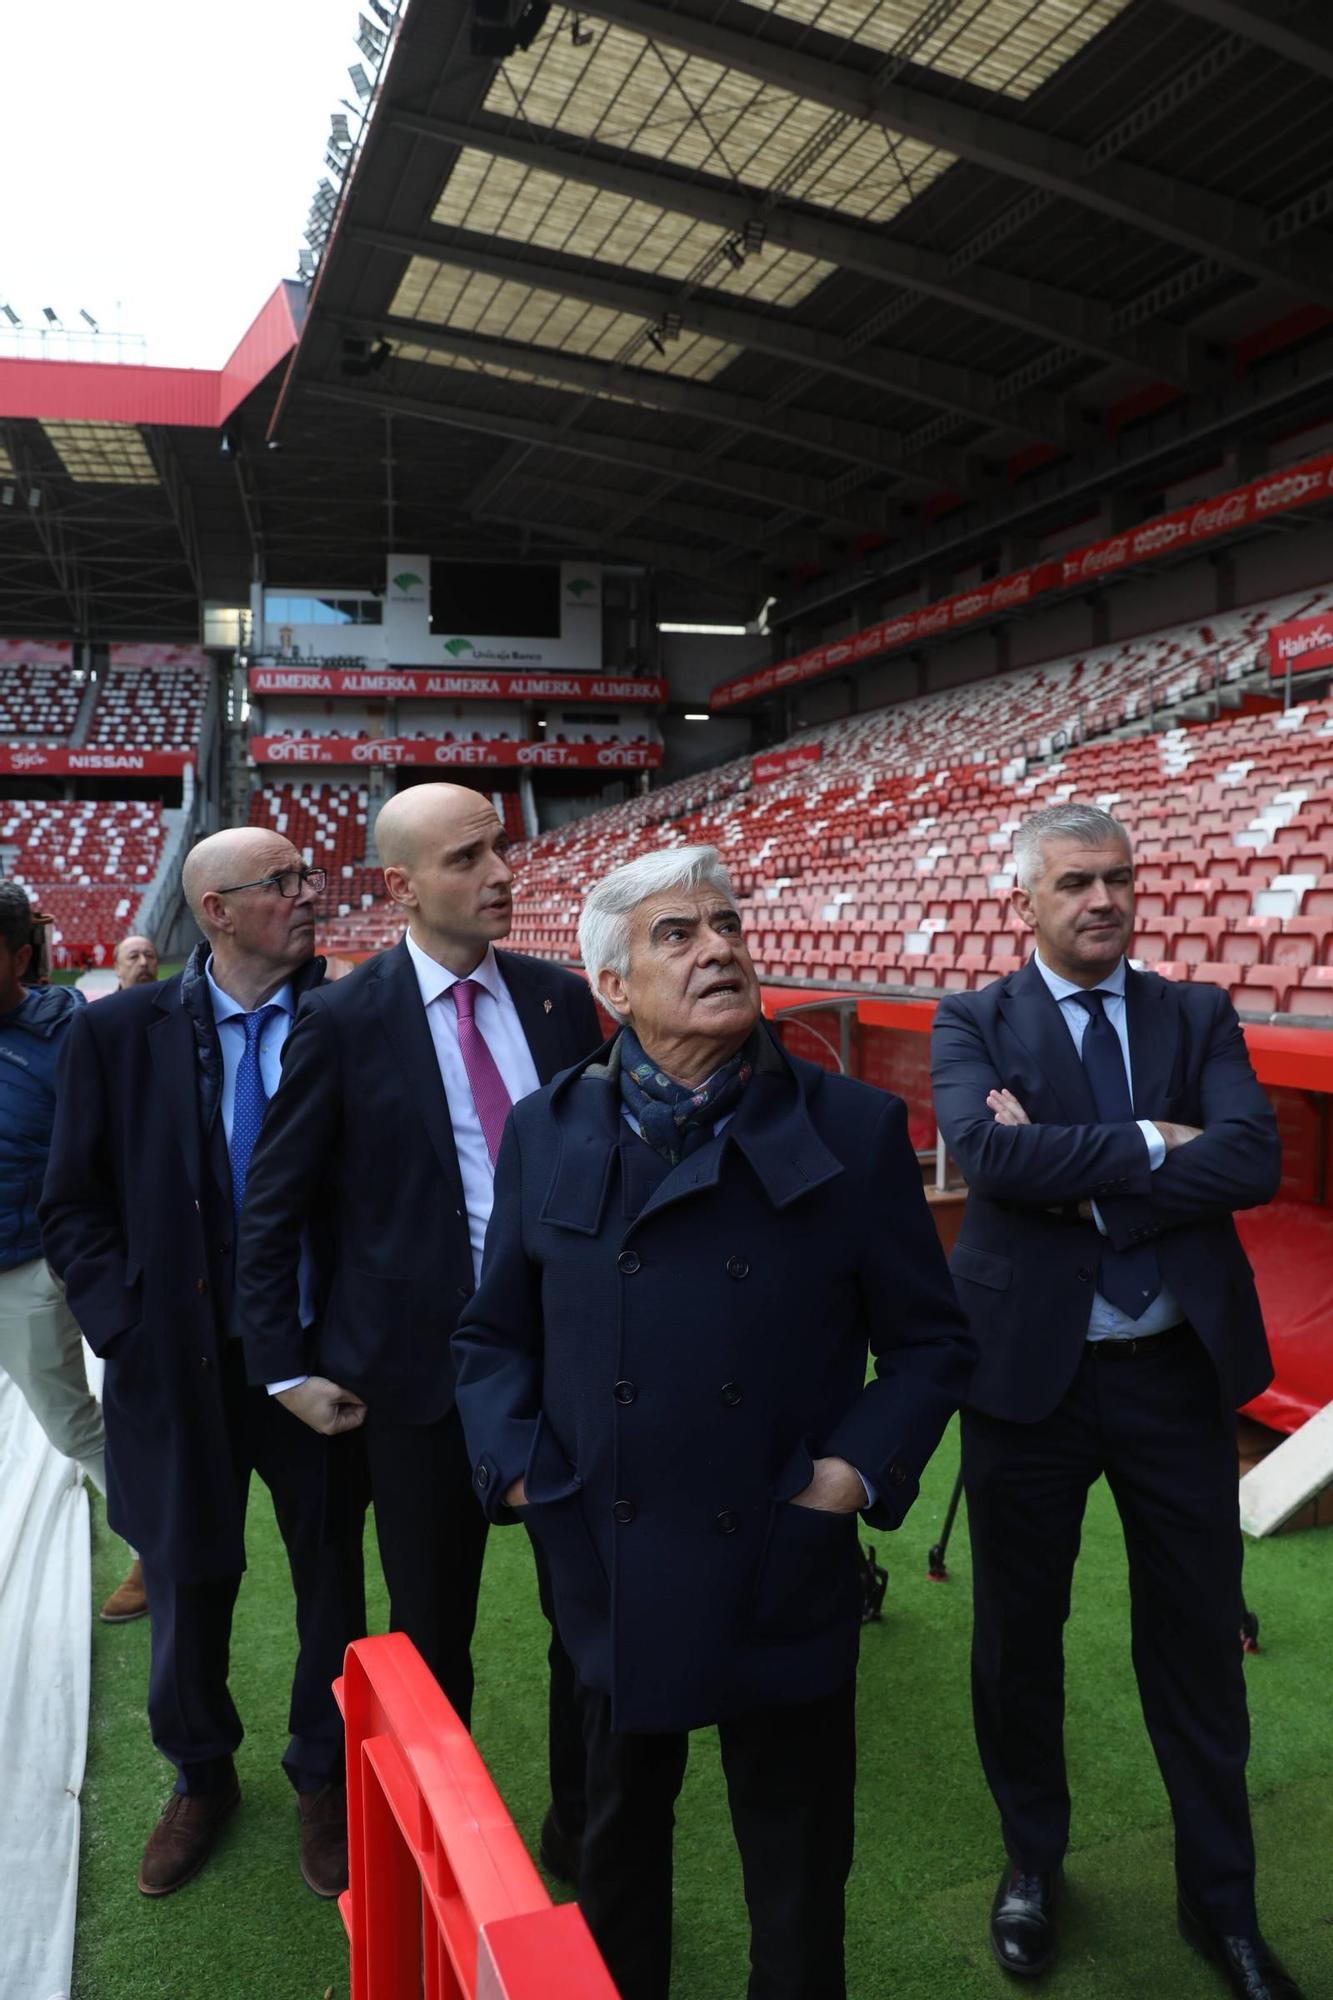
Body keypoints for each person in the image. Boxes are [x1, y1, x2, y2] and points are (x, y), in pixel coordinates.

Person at [452, 844, 974, 2000]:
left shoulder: (853, 1126)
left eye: (726, 923)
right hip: (609, 1554)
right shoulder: (547, 1125)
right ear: (615, 987)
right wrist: (531, 1478)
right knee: (615, 1852)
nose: (720, 946)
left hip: (779, 1557)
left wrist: (846, 1473)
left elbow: (932, 1345)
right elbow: (494, 1338)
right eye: (677, 934)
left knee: (797, 1872)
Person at [930, 801, 1303, 2000]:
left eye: (1119, 879)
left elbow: (1251, 1157)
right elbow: (988, 1160)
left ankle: (1222, 1905)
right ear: (1025, 900)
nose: (1104, 899)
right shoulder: (971, 1018)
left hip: (1172, 1376)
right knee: (1016, 1639)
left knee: (1195, 1641)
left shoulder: (1193, 1010)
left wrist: (1078, 1169)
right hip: (1027, 1383)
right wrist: (1150, 1138)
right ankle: (1030, 1860)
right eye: (1077, 881)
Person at [235, 781, 602, 1880]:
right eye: (466, 857)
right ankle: (438, 1845)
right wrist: (281, 1364)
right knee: (430, 1631)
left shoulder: (557, 998)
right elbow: (274, 1203)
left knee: (586, 1618)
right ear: (402, 885)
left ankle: (584, 1830)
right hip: (415, 1380)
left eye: (500, 846)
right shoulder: (339, 1018)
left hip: (571, 1365)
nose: (501, 871)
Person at [40, 830, 366, 1902]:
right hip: (173, 1363)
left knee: (329, 1573)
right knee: (184, 1571)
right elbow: (74, 1201)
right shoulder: (120, 1030)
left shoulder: (356, 1018)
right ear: (216, 910)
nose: (308, 894)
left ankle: (322, 1773)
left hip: (316, 1364)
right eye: (282, 883)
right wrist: (123, 1325)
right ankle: (200, 1773)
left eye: (307, 877)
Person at [0, 883, 144, 1622]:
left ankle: (158, 1535)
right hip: (14, 1259)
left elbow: (111, 1145)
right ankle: (153, 1529)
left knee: (97, 1407)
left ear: (22, 958)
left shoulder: (67, 1033)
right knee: (63, 1416)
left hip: (48, 1254)